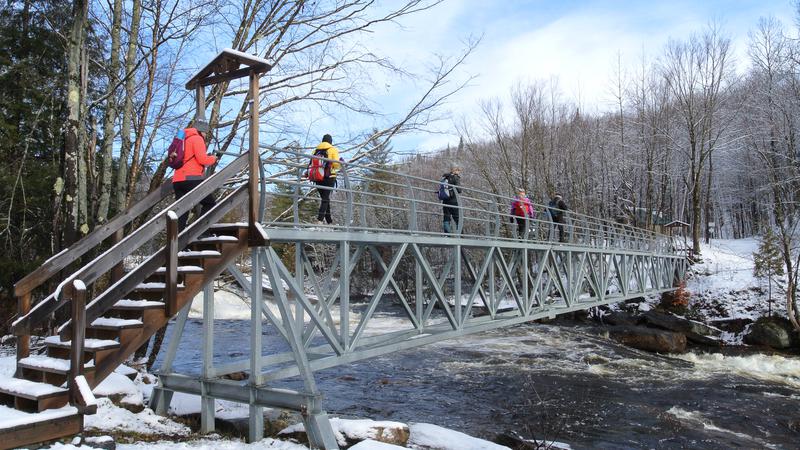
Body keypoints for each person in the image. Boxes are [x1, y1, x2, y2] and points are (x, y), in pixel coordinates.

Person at [172, 120, 217, 230]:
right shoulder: (197, 139)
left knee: (183, 210)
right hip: (191, 179)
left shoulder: (182, 138)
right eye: (206, 132)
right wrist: (213, 159)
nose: (206, 135)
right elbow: (202, 159)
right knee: (209, 203)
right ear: (202, 131)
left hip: (177, 180)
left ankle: (178, 242)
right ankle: (200, 231)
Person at [310, 134, 340, 225]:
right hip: (329, 177)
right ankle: (319, 220)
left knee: (325, 199)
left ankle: (329, 221)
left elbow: (312, 163)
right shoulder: (332, 149)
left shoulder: (315, 150)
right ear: (330, 141)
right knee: (325, 199)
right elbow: (336, 165)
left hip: (318, 177)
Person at [441, 165, 462, 233]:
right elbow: (459, 190)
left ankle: (447, 234)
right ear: (455, 170)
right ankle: (461, 235)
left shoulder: (445, 177)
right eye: (459, 170)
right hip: (453, 201)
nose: (459, 172)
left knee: (446, 218)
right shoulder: (455, 177)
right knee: (457, 218)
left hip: (445, 200)